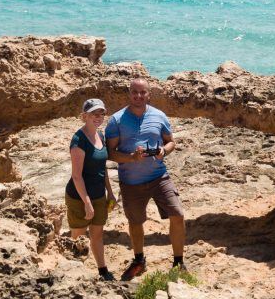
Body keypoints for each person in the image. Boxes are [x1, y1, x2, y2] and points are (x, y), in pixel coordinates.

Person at [105, 77, 185, 281]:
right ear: (129, 93)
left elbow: (171, 142)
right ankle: (139, 260)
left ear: (149, 94)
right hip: (131, 182)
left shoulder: (159, 116)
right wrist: (131, 157)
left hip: (159, 176)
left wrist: (162, 151)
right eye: (134, 92)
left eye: (143, 92)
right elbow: (110, 153)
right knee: (136, 222)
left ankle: (178, 262)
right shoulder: (116, 120)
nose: (138, 96)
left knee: (177, 214)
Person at [64, 98, 117, 281]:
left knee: (97, 234)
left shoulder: (100, 135)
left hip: (98, 195)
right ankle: (71, 273)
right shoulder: (78, 140)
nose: (98, 116)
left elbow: (103, 168)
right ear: (84, 116)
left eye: (101, 113)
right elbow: (77, 176)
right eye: (94, 113)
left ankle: (103, 270)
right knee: (77, 239)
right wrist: (86, 203)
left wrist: (110, 192)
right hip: (79, 197)